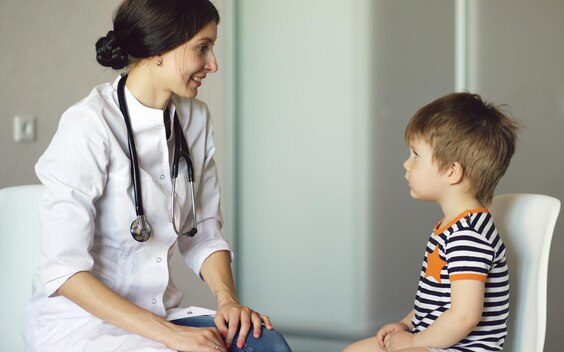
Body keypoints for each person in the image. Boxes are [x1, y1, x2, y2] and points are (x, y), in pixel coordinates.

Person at [21, 1, 291, 351]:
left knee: (265, 344)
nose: (213, 64)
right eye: (202, 48)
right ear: (161, 48)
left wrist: (228, 301)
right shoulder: (88, 125)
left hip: (159, 314)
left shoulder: (194, 119)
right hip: (83, 325)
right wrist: (169, 335)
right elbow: (65, 271)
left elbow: (203, 230)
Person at [344, 93, 520, 352]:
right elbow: (434, 303)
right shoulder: (450, 227)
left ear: (452, 171)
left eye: (415, 154)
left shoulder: (468, 235)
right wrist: (406, 325)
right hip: (436, 344)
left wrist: (414, 342)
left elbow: (465, 316)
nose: (406, 164)